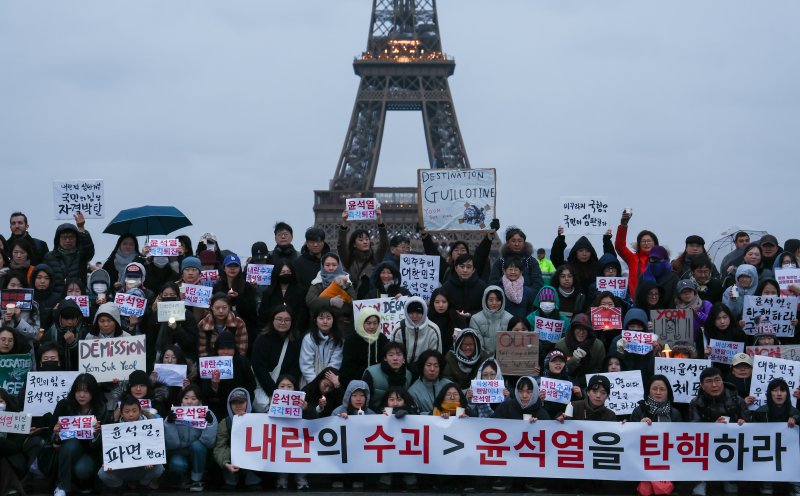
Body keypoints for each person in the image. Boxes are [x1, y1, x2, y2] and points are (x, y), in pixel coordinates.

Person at [688, 367, 749, 496]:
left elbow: (750, 425)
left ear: (723, 381)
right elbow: (694, 428)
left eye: (717, 380)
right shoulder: (696, 403)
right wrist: (712, 427)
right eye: (709, 381)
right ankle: (702, 479)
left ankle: (730, 479)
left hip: (733, 443)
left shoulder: (737, 400)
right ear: (702, 386)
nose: (714, 385)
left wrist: (742, 423)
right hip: (708, 443)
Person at [50, 374, 108, 496]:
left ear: (93, 392)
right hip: (66, 449)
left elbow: (99, 445)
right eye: (78, 391)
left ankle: (81, 483)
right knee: (72, 444)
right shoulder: (64, 405)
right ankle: (62, 487)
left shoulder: (101, 408)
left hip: (89, 452)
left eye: (86, 391)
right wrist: (56, 434)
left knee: (82, 469)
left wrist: (97, 434)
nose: (82, 395)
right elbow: (53, 440)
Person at [490, 376, 550, 493]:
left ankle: (533, 479)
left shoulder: (541, 413)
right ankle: (503, 478)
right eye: (521, 391)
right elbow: (491, 427)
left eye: (529, 391)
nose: (524, 396)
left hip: (530, 457)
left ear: (535, 392)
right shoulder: (506, 407)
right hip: (508, 453)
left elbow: (548, 439)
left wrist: (536, 428)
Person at [97, 396, 165, 492]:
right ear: (121, 413)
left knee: (159, 468)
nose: (131, 414)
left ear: (140, 411)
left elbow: (156, 448)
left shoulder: (151, 426)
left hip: (143, 467)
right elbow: (108, 450)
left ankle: (144, 485)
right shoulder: (113, 428)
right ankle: (118, 486)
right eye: (127, 411)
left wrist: (152, 459)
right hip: (122, 468)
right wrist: (109, 462)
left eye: (134, 411)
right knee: (102, 473)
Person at [629, 375, 682, 496]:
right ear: (648, 390)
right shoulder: (639, 411)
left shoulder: (675, 413)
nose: (658, 392)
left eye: (662, 389)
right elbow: (630, 439)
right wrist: (638, 427)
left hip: (668, 462)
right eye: (654, 389)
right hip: (643, 462)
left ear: (668, 392)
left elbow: (680, 440)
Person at [751, 378, 800, 496]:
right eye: (775, 390)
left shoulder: (795, 412)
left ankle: (796, 484)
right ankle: (766, 483)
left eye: (782, 391)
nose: (779, 394)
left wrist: (796, 419)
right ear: (769, 393)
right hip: (766, 451)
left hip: (789, 451)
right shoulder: (760, 412)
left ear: (787, 394)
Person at [164, 385, 218, 492]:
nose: (189, 401)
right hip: (180, 451)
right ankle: (183, 478)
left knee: (197, 446)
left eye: (194, 399)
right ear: (182, 399)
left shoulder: (208, 414)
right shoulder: (174, 414)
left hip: (199, 452)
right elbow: (171, 445)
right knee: (177, 464)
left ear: (200, 400)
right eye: (186, 398)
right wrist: (169, 424)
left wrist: (210, 423)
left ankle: (197, 479)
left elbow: (210, 443)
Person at [213, 388, 261, 491]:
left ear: (247, 403)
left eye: (241, 402)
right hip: (232, 458)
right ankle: (231, 479)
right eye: (234, 402)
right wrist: (225, 463)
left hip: (253, 457)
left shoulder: (258, 419)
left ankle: (253, 479)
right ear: (229, 405)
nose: (238, 405)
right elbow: (220, 447)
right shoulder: (225, 423)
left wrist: (247, 421)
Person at [201, 331, 256, 420]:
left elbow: (251, 386)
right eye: (222, 348)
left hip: (240, 406)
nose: (226, 352)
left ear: (234, 349)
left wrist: (244, 406)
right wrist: (214, 385)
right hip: (218, 409)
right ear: (217, 349)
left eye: (229, 348)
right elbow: (205, 394)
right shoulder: (209, 364)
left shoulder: (242, 362)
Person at [251, 306, 302, 398]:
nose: (283, 323)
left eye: (287, 320)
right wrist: (274, 392)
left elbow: (296, 367)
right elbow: (259, 368)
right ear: (272, 320)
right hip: (266, 387)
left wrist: (287, 387)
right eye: (279, 319)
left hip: (288, 388)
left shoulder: (296, 340)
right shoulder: (261, 340)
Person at [336, 206, 388, 295]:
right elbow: (341, 246)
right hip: (355, 299)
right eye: (361, 240)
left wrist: (379, 221)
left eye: (367, 239)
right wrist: (344, 222)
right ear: (354, 244)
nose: (365, 242)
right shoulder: (348, 259)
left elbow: (384, 244)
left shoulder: (375, 258)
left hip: (372, 299)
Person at [551, 227, 615, 294]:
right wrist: (560, 238)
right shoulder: (568, 267)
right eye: (581, 251)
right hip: (573, 302)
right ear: (576, 252)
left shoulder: (598, 267)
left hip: (595, 302)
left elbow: (610, 260)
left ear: (591, 252)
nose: (584, 254)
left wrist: (607, 240)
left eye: (587, 251)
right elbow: (556, 257)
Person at [305, 252, 357, 336]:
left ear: (339, 265)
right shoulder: (318, 282)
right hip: (321, 327)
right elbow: (310, 301)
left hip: (343, 327)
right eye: (327, 265)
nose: (331, 268)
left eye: (334, 265)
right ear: (322, 266)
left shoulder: (345, 281)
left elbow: (353, 302)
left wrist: (342, 287)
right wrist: (330, 302)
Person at [43, 215, 95, 296]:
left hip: (78, 296)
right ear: (58, 239)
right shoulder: (49, 257)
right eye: (64, 237)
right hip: (55, 298)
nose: (68, 240)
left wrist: (81, 228)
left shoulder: (81, 254)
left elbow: (89, 249)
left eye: (71, 237)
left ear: (76, 239)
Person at [340, 307, 389, 387]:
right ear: (361, 323)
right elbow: (348, 368)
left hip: (379, 383)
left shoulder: (382, 339)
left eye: (375, 323)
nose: (372, 327)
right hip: (357, 383)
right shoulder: (351, 341)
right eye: (368, 323)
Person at [151, 282, 199, 361]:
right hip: (160, 358)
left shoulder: (187, 315)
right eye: (165, 295)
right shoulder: (156, 315)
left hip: (183, 358)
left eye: (172, 295)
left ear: (177, 296)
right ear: (161, 296)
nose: (168, 297)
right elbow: (151, 340)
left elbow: (191, 342)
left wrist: (177, 328)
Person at [391, 297, 442, 373]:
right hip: (402, 369)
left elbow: (436, 355)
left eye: (418, 313)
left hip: (425, 370)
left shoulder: (433, 330)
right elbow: (394, 353)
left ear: (424, 312)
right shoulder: (398, 329)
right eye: (411, 313)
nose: (414, 316)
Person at [614, 209, 658, 297]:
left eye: (649, 241)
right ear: (638, 244)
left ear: (655, 243)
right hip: (637, 302)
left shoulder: (661, 260)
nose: (646, 243)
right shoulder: (632, 258)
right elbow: (619, 246)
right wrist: (623, 225)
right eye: (643, 241)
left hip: (656, 302)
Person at [488, 227, 544, 295]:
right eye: (513, 241)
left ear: (524, 243)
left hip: (527, 301)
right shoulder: (500, 262)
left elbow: (538, 283)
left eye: (520, 241)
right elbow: (493, 282)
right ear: (508, 243)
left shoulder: (531, 261)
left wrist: (525, 295)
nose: (516, 244)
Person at [212, 253, 258, 336]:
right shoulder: (217, 286)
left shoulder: (247, 286)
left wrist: (239, 298)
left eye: (235, 266)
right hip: (222, 328)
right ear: (224, 268)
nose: (232, 268)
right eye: (229, 266)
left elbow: (252, 311)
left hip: (244, 328)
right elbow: (213, 307)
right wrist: (226, 298)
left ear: (240, 268)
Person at [555, 313, 605, 388]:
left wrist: (584, 381)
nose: (581, 332)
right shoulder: (561, 345)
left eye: (585, 329)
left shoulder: (598, 345)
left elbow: (600, 368)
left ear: (589, 331)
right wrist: (574, 360)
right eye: (578, 328)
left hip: (590, 383)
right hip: (566, 382)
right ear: (573, 330)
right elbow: (557, 369)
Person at [257, 260, 308, 331]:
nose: (285, 274)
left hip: (294, 332)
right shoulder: (268, 293)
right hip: (272, 331)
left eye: (288, 272)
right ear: (277, 273)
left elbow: (302, 314)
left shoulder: (301, 291)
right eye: (283, 272)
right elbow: (263, 314)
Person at [362, 341, 412, 412]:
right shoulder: (371, 373)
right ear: (385, 358)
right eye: (391, 355)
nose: (395, 358)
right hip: (374, 415)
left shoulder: (408, 375)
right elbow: (364, 400)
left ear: (404, 358)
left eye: (399, 355)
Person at [299, 309, 344, 385]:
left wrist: (326, 382)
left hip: (329, 382)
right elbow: (306, 365)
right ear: (315, 320)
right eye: (321, 318)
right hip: (309, 383)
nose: (325, 321)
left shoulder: (338, 339)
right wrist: (315, 384)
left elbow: (335, 363)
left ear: (333, 320)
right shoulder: (309, 338)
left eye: (328, 318)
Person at [40, 299, 87, 371]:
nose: (70, 322)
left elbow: (87, 359)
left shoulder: (84, 333)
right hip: (57, 374)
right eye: (66, 318)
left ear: (78, 318)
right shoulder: (50, 333)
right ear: (60, 318)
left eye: (73, 318)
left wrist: (73, 344)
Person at [197, 293, 248, 357]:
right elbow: (202, 350)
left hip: (234, 361)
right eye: (217, 308)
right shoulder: (203, 324)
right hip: (211, 362)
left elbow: (242, 349)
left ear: (229, 307)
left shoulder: (238, 322)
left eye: (224, 308)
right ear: (212, 308)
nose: (221, 311)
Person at [469, 285, 512, 355]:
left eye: (498, 300)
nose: (494, 303)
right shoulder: (475, 319)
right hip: (483, 359)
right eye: (491, 300)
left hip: (504, 359)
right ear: (485, 301)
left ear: (502, 301)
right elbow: (477, 344)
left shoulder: (510, 318)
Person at [407, 350, 450, 414]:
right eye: (428, 365)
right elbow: (414, 415)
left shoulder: (449, 385)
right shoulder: (413, 391)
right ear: (422, 367)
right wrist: (433, 414)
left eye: (436, 366)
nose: (432, 369)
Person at [427, 288, 468, 354]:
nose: (441, 305)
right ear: (432, 303)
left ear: (449, 302)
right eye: (437, 302)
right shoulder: (428, 319)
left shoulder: (457, 319)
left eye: (444, 302)